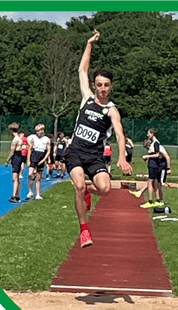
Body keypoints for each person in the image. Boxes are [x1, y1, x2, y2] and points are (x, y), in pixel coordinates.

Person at [64, 29, 132, 248]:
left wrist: (122, 157)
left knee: (105, 189)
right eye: (99, 84)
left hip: (94, 156)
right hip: (75, 152)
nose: (102, 88)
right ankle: (84, 230)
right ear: (95, 86)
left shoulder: (112, 110)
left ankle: (87, 192)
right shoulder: (87, 98)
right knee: (78, 184)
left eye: (106, 85)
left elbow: (120, 134)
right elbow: (82, 69)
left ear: (111, 87)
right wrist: (89, 44)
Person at [140, 129, 171, 208]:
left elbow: (157, 155)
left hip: (154, 165)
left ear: (152, 134)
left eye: (148, 134)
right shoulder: (154, 143)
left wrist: (147, 156)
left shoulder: (156, 143)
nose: (147, 135)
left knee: (151, 182)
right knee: (155, 182)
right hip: (153, 164)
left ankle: (151, 201)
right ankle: (157, 200)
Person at [26, 123, 50, 200]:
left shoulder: (47, 139)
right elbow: (29, 149)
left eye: (41, 130)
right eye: (38, 130)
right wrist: (28, 160)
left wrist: (44, 160)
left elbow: (48, 151)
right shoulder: (33, 137)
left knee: (38, 177)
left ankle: (38, 194)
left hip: (41, 156)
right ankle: (30, 191)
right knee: (30, 174)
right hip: (34, 156)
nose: (39, 132)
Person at [5, 123, 23, 202]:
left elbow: (12, 151)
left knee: (15, 177)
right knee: (17, 178)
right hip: (19, 157)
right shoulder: (19, 138)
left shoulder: (15, 140)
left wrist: (7, 160)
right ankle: (18, 195)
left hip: (16, 158)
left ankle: (14, 196)